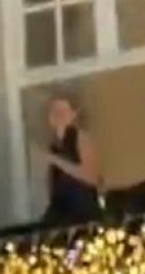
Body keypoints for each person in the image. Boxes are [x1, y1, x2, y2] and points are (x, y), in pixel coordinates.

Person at [36, 93, 101, 224]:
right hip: (62, 210)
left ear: (73, 115)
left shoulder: (80, 138)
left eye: (62, 112)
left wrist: (56, 160)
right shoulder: (53, 145)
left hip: (82, 212)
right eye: (53, 112)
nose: (57, 116)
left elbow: (92, 177)